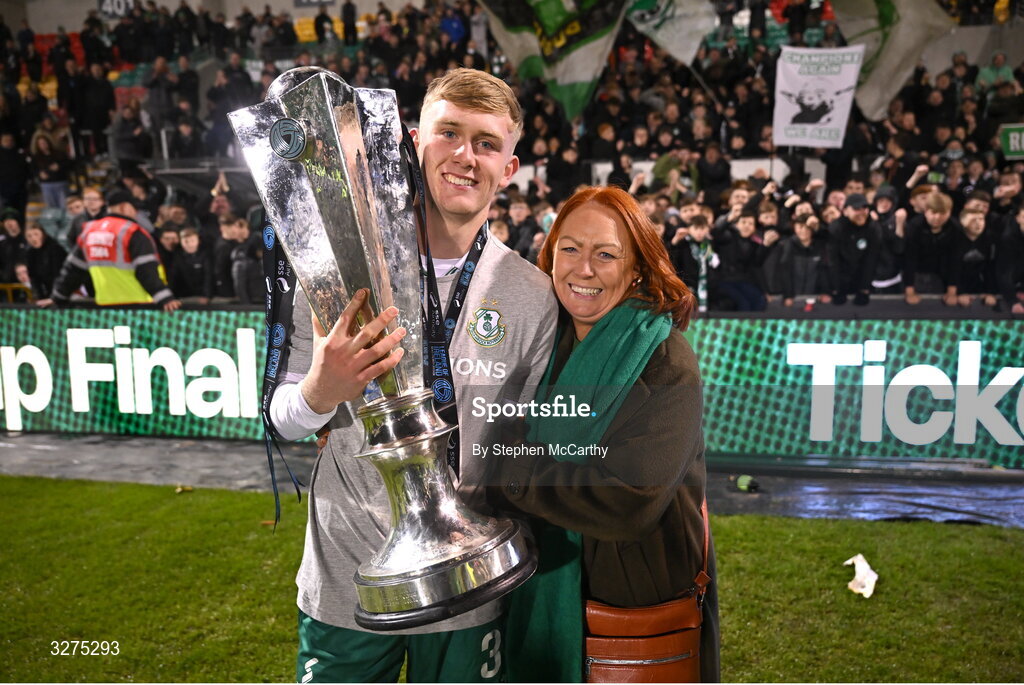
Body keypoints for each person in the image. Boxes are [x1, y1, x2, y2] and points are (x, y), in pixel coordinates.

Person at [268, 68, 557, 682]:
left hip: (470, 585)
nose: (464, 156)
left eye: (486, 143)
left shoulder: (534, 295)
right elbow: (283, 420)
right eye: (448, 132)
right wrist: (323, 389)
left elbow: (530, 446)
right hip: (347, 573)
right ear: (412, 140)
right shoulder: (331, 265)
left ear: (509, 168)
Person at [484, 185, 719, 682]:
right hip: (535, 582)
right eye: (569, 249)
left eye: (605, 254)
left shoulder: (665, 360)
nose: (583, 268)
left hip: (631, 610)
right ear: (550, 256)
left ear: (636, 268)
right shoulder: (541, 344)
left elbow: (628, 499)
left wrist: (509, 469)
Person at [40, 189, 181, 310]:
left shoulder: (89, 231)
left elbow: (73, 269)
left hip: (106, 307)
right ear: (125, 207)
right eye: (134, 208)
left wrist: (58, 297)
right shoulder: (132, 231)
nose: (136, 213)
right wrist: (165, 298)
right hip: (139, 306)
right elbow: (146, 269)